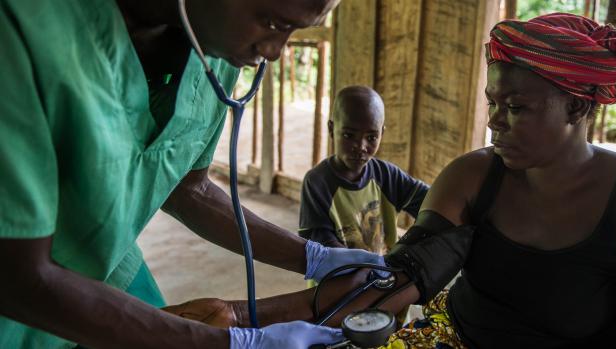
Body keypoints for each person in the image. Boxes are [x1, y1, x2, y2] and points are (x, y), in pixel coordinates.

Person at [166, 13, 616, 349]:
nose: (494, 122)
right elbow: (393, 282)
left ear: (579, 106)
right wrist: (242, 319)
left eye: (517, 107)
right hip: (449, 338)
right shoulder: (475, 176)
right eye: (493, 103)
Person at [0, 0, 385, 348]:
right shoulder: (23, 27)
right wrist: (231, 344)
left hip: (107, 263)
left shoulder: (213, 46)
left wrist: (313, 257)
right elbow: (19, 278)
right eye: (271, 22)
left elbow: (189, 188)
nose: (275, 51)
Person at [299, 86, 429, 254]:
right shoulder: (317, 183)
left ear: (382, 133)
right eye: (348, 135)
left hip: (381, 276)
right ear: (332, 129)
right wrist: (368, 267)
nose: (360, 147)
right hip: (337, 279)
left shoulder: (387, 175)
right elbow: (322, 244)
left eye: (371, 138)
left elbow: (430, 203)